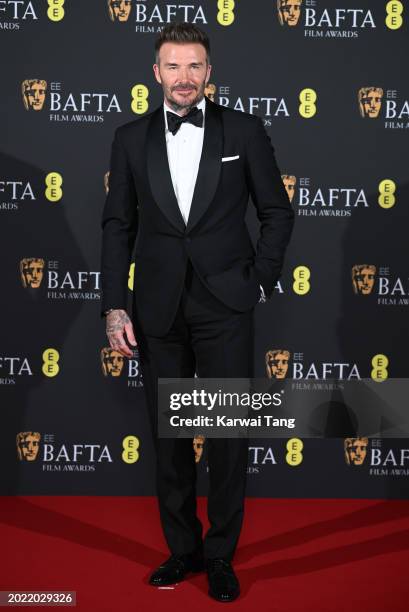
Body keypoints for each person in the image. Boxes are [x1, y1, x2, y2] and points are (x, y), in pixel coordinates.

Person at [100, 22, 294, 602]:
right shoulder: (130, 138)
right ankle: (182, 549)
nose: (185, 78)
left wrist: (258, 283)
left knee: (230, 435)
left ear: (209, 72)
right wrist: (114, 308)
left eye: (195, 66)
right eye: (173, 66)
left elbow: (276, 214)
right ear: (155, 73)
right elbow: (118, 227)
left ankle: (221, 556)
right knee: (169, 433)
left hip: (227, 303)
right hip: (157, 306)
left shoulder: (245, 129)